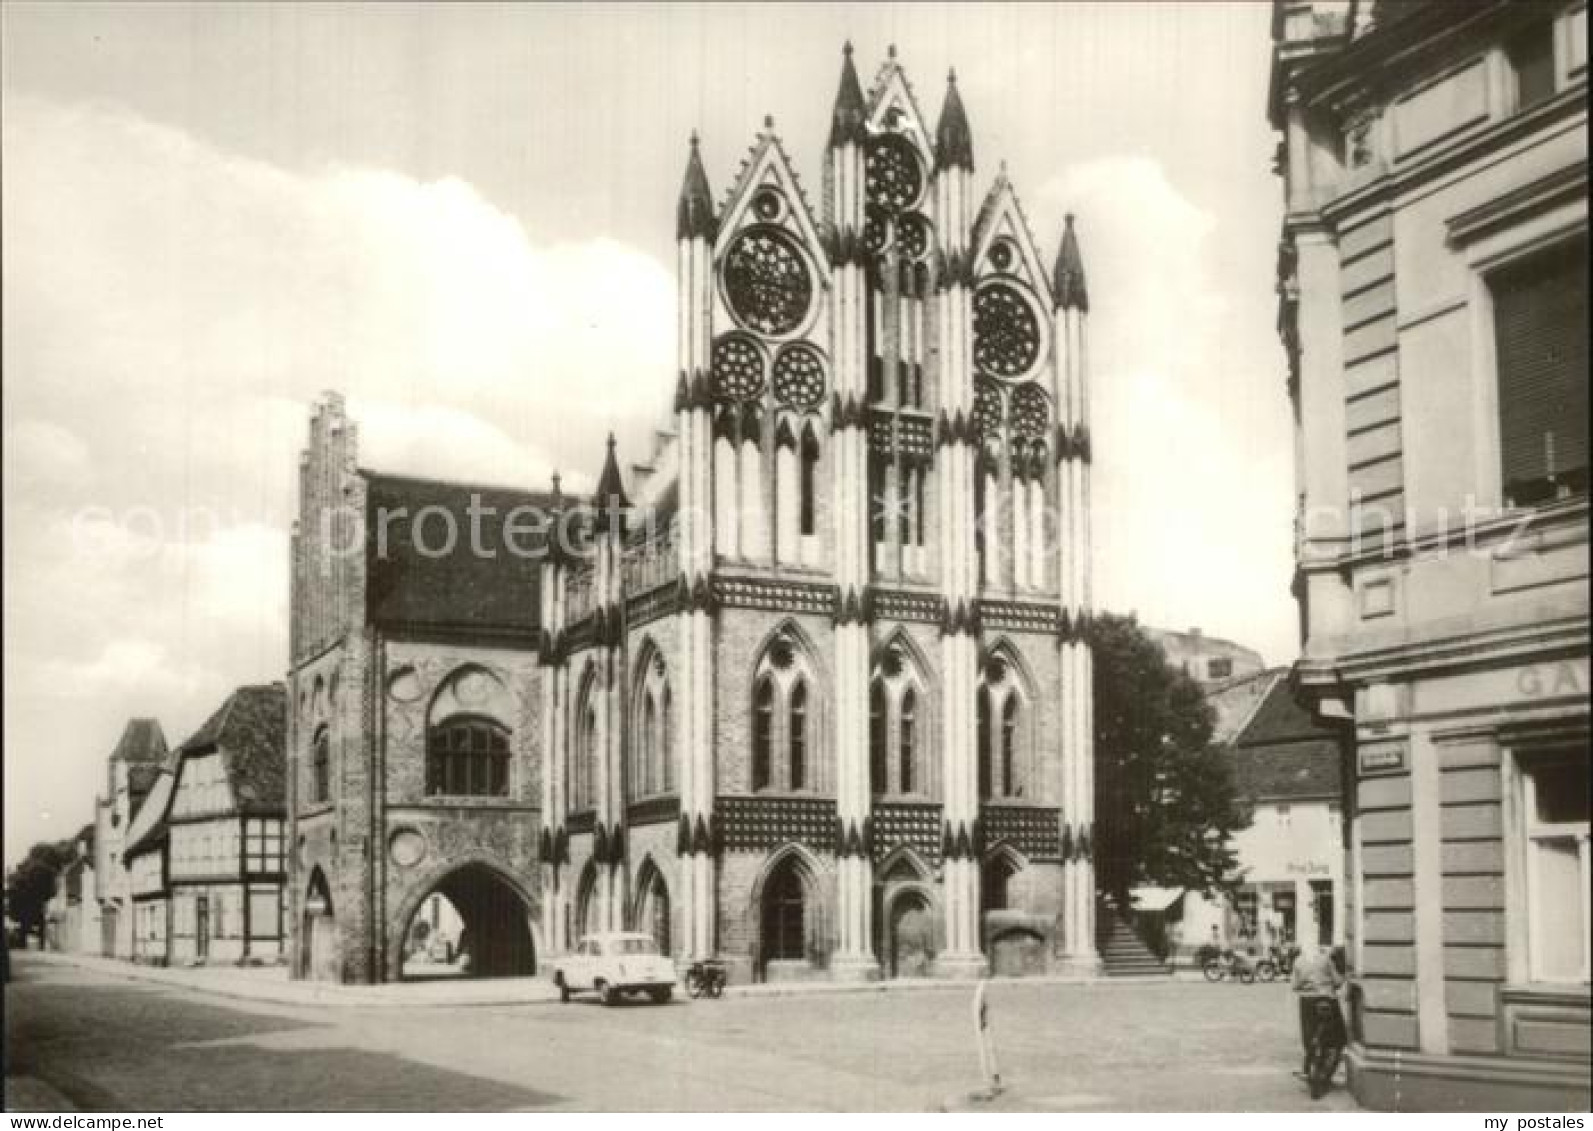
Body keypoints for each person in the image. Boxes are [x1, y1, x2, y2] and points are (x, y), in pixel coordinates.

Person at [1291, 945, 1346, 1079]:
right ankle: (1328, 1071)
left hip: (1307, 1002)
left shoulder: (1298, 961)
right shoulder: (1326, 959)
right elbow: (1338, 982)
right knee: (1339, 1037)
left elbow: (1295, 985)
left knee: (1308, 1035)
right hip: (1327, 999)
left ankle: (1306, 1068)